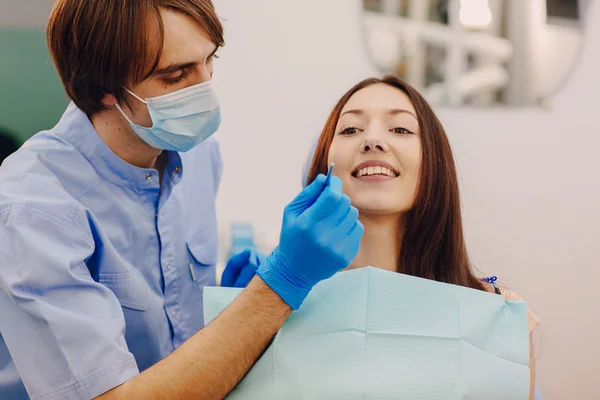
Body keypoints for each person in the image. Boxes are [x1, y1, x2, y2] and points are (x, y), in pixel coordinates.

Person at [0, 1, 363, 399]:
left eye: (210, 61)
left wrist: (232, 312)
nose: (205, 90)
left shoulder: (196, 153)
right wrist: (278, 286)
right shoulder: (32, 207)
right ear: (102, 90)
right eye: (175, 76)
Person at [299, 75, 539, 399]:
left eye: (400, 129)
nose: (372, 140)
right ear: (322, 166)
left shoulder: (499, 313)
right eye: (350, 129)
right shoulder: (278, 304)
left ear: (434, 164)